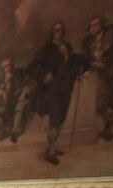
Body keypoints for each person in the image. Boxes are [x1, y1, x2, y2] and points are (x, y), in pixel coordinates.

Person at [28, 21, 89, 165]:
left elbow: (70, 67)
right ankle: (50, 151)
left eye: (62, 30)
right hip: (53, 92)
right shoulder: (47, 49)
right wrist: (44, 75)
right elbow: (31, 67)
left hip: (66, 90)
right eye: (56, 30)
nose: (59, 32)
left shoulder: (68, 47)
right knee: (54, 122)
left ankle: (54, 147)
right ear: (52, 33)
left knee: (60, 121)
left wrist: (77, 75)